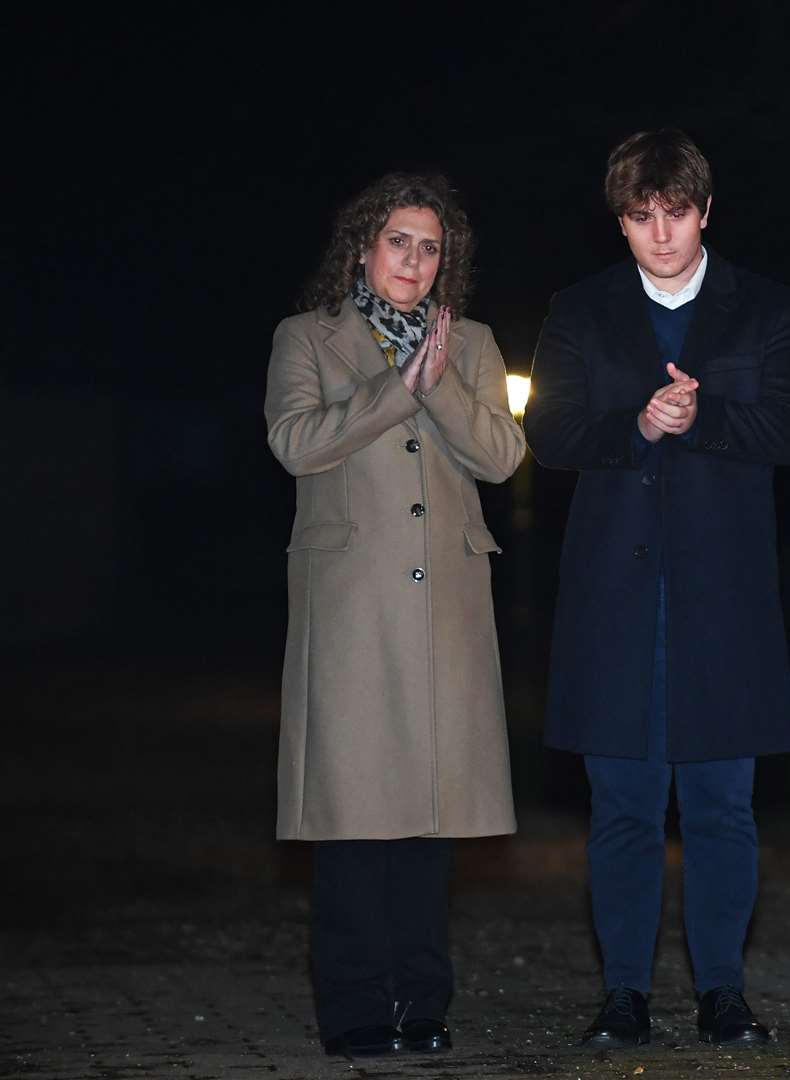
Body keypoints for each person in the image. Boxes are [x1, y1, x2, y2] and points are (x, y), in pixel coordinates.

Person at [524, 129, 790, 1048]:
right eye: (642, 218)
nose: (662, 233)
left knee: (723, 808)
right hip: (614, 596)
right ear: (620, 222)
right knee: (622, 807)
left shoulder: (766, 308)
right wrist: (637, 427)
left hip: (724, 597)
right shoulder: (580, 310)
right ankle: (623, 995)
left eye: (677, 214)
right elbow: (552, 432)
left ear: (705, 212)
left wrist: (706, 416)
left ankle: (723, 993)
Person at [265, 173, 526, 1057]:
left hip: (444, 612)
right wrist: (394, 387)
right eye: (399, 241)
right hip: (350, 611)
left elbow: (500, 457)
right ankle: (354, 1012)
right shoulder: (306, 338)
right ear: (363, 249)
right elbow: (295, 441)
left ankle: (424, 1006)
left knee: (427, 821)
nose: (414, 259)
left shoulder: (477, 343)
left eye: (430, 246)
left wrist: (439, 381)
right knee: (351, 822)